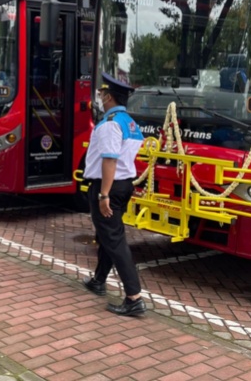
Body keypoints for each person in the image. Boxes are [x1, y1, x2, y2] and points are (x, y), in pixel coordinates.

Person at [80, 73, 146, 317]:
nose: (99, 97)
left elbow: (109, 159)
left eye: (101, 94)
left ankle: (134, 297)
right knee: (108, 234)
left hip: (108, 186)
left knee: (114, 239)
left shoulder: (110, 125)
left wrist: (103, 195)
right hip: (123, 184)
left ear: (108, 96)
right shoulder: (129, 122)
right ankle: (99, 280)